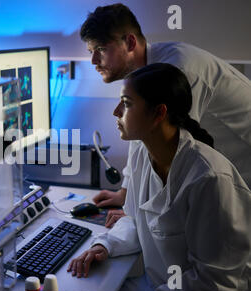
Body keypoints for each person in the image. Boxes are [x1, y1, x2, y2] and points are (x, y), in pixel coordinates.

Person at [67, 63, 251, 291]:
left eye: (126, 103)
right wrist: (105, 245)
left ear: (158, 113)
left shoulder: (209, 179)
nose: (115, 111)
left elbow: (212, 284)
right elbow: (135, 218)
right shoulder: (145, 154)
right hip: (159, 286)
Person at [80, 3, 251, 227]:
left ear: (130, 42)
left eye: (101, 49)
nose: (93, 61)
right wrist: (127, 193)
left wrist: (137, 214)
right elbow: (142, 136)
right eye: (90, 52)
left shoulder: (178, 70)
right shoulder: (145, 76)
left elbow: (175, 153)